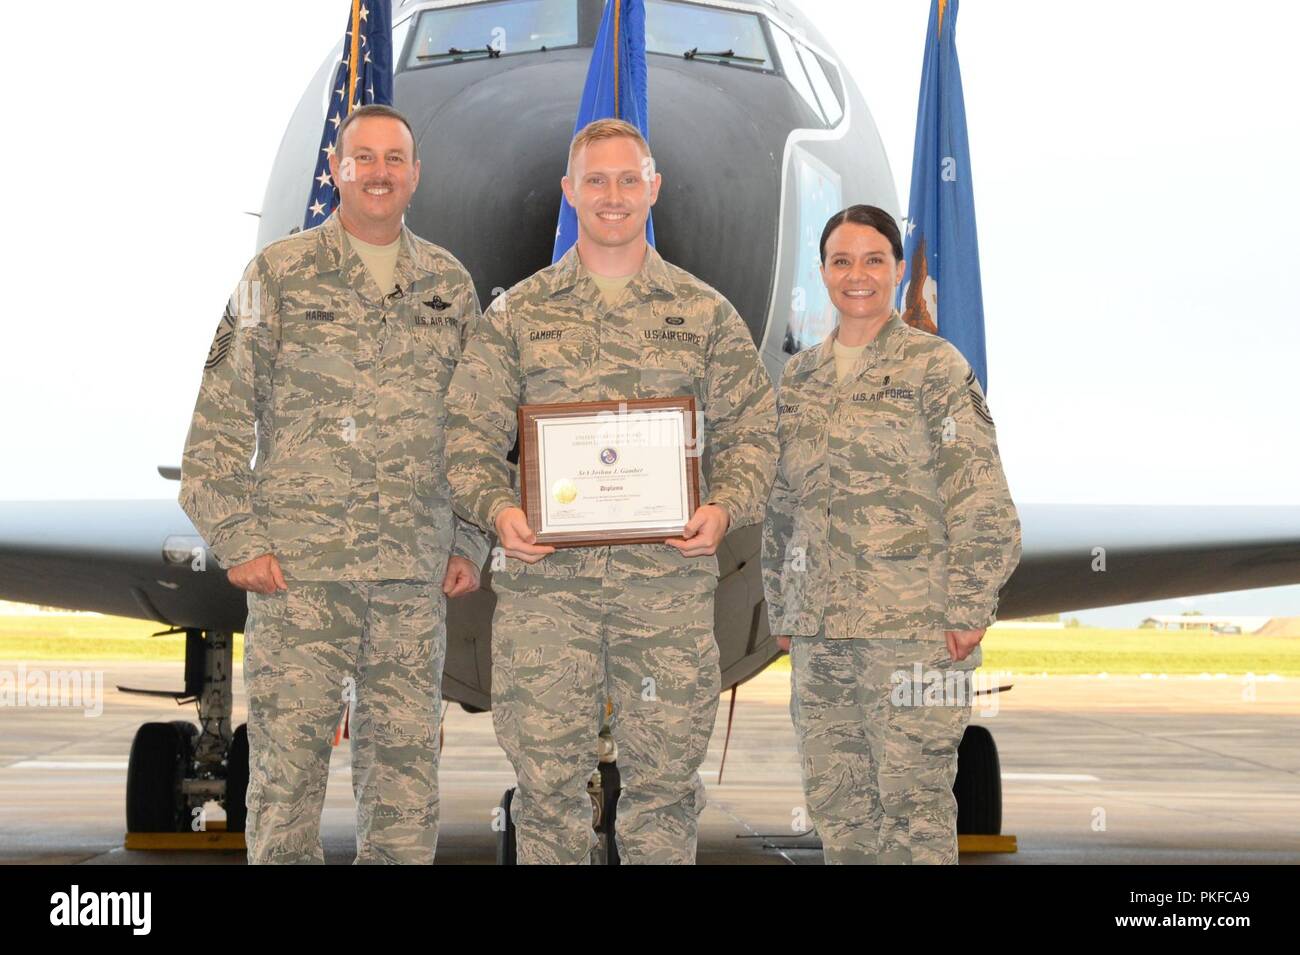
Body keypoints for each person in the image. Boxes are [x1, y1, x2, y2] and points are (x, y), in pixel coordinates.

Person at [444, 118, 777, 864]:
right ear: (570, 192)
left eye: (630, 179)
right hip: (545, 597)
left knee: (662, 799)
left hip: (663, 597)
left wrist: (724, 507)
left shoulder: (705, 316)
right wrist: (499, 510)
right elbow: (464, 436)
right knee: (547, 797)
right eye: (596, 179)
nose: (614, 195)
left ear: (653, 188)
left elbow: (756, 432)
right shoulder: (517, 318)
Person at [179, 104, 488, 864]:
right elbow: (217, 422)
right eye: (363, 158)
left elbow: (480, 427)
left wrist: (473, 536)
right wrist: (239, 538)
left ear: (414, 174)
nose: (379, 172)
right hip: (300, 576)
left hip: (410, 577)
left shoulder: (449, 285)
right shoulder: (276, 275)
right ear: (336, 170)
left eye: (394, 159)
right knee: (286, 782)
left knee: (405, 783)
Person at [761, 203, 1021, 864]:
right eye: (842, 260)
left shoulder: (934, 370)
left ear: (898, 270)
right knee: (840, 809)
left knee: (914, 808)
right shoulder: (801, 379)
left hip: (915, 635)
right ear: (822, 272)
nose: (858, 275)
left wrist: (967, 609)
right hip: (823, 636)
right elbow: (783, 504)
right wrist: (784, 604)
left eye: (874, 259)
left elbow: (983, 500)